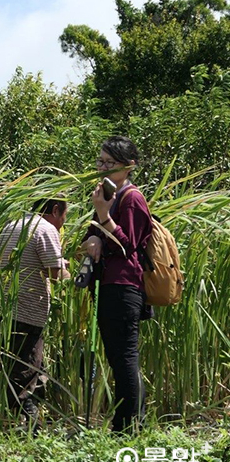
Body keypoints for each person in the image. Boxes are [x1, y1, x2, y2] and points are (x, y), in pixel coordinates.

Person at [81, 136, 152, 433]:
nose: (102, 168)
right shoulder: (108, 196)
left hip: (125, 286)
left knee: (123, 356)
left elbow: (129, 246)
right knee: (117, 355)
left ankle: (128, 427)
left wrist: (103, 216)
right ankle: (131, 423)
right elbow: (91, 236)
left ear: (129, 166)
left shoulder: (131, 198)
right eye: (100, 161)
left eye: (109, 163)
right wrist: (94, 236)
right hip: (109, 284)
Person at [0, 198, 68, 426]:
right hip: (28, 312)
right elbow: (56, 274)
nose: (63, 222)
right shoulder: (45, 229)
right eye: (63, 216)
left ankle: (32, 421)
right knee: (25, 371)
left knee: (18, 367)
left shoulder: (11, 225)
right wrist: (72, 270)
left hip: (3, 310)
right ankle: (28, 427)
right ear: (56, 210)